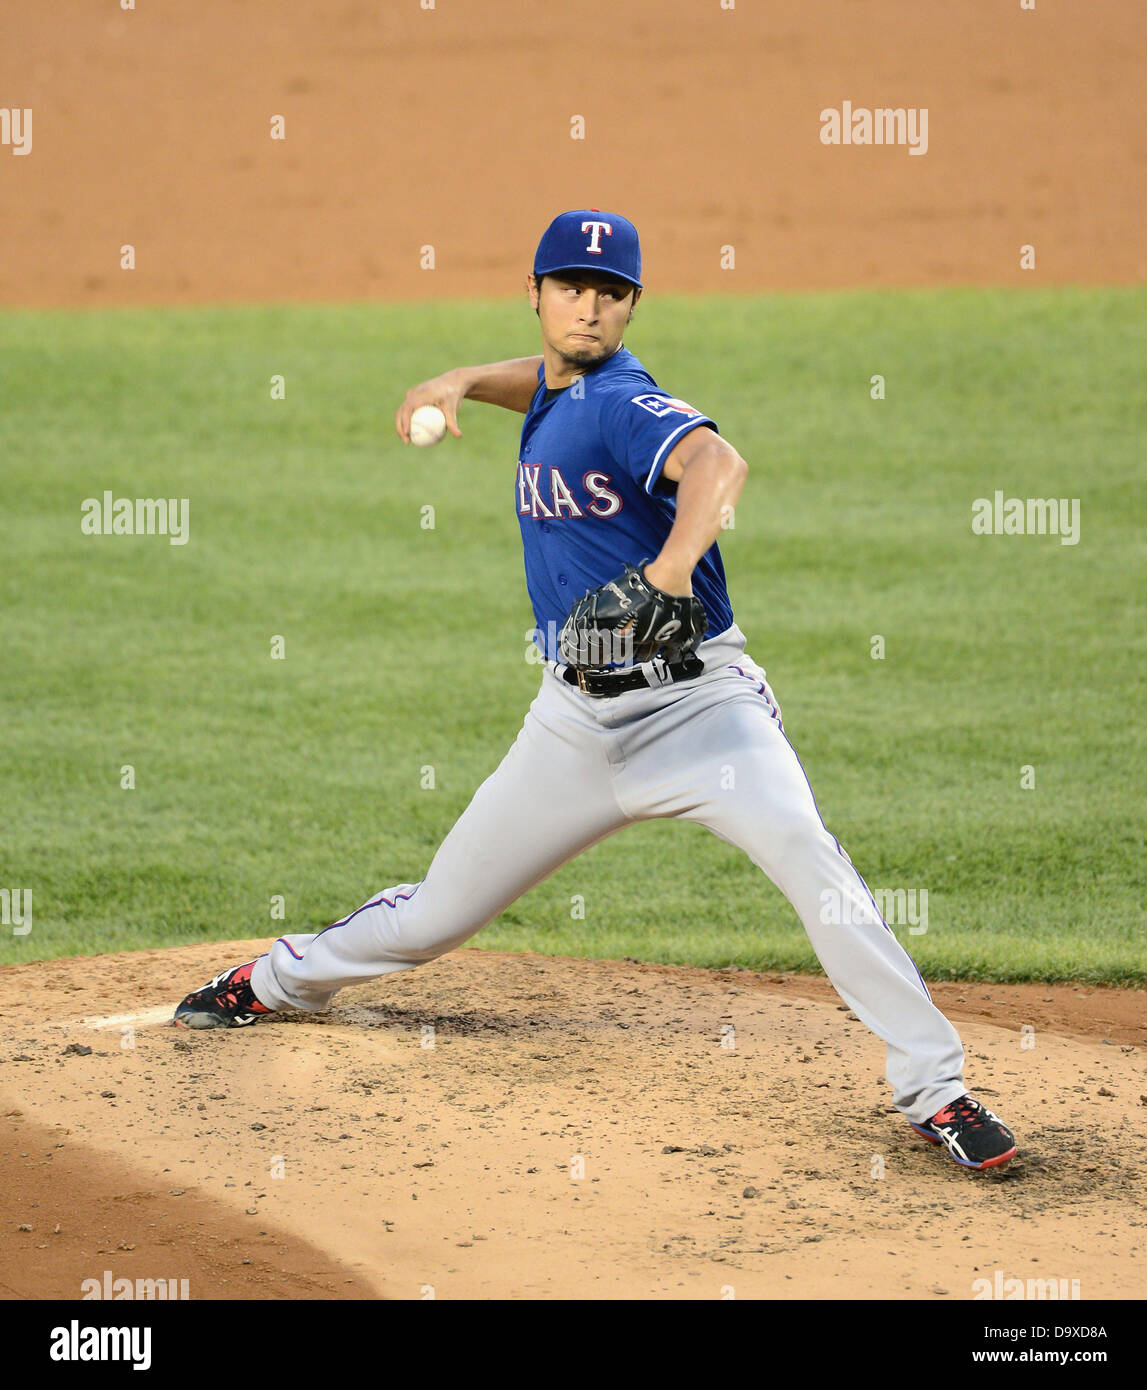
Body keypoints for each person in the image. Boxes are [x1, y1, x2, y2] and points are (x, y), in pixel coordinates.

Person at [174, 209, 1017, 1171]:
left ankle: (935, 1090)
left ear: (631, 308)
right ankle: (277, 981)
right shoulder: (554, 386)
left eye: (610, 292)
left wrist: (666, 572)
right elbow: (534, 380)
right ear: (533, 295)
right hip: (573, 724)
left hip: (701, 710)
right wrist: (455, 381)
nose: (589, 306)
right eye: (570, 287)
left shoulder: (623, 397)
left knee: (814, 870)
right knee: (436, 915)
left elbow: (718, 463)